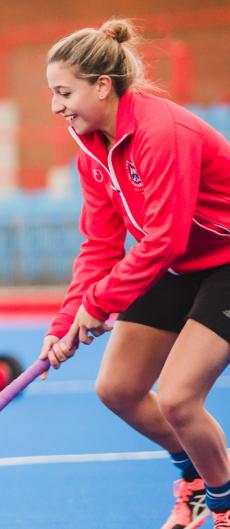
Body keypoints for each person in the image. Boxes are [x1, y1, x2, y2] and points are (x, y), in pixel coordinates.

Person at [39, 19, 230, 529]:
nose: (56, 106)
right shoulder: (91, 148)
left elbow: (162, 237)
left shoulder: (160, 132)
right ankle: (195, 479)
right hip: (179, 261)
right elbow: (101, 244)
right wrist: (64, 323)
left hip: (224, 262)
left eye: (64, 92)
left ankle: (226, 506)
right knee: (118, 389)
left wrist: (99, 305)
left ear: (103, 86)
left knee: (178, 398)